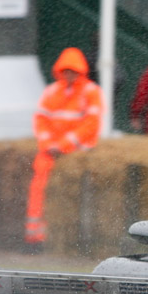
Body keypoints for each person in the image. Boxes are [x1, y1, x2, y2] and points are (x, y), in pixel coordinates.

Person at [25, 47, 103, 249]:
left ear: (80, 71)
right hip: (50, 151)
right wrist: (48, 144)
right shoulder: (51, 91)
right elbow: (41, 120)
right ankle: (35, 238)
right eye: (66, 71)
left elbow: (91, 124)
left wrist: (64, 145)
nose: (69, 75)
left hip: (77, 152)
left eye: (73, 71)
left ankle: (73, 241)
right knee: (38, 187)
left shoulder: (91, 91)